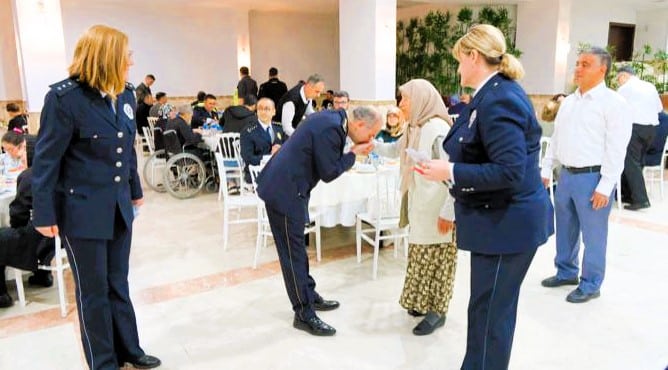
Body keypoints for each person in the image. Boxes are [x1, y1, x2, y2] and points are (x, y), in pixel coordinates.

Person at [417, 25, 553, 370]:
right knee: (486, 308)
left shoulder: (500, 98)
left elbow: (508, 171)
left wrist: (450, 173)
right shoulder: (489, 95)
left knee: (491, 313)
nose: (458, 68)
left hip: (507, 224)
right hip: (498, 220)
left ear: (473, 57)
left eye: (459, 60)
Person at [31, 25, 160, 370]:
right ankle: (103, 361)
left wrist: (134, 192)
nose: (131, 61)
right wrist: (43, 215)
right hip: (81, 211)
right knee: (93, 291)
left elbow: (127, 150)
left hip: (119, 208)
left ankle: (129, 349)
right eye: (126, 55)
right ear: (107, 58)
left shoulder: (127, 94)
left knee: (118, 281)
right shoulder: (65, 99)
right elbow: (46, 160)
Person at [256, 107, 380, 336]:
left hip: (291, 188)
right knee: (293, 254)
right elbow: (329, 171)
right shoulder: (332, 127)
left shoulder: (333, 118)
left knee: (298, 252)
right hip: (284, 191)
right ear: (360, 124)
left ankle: (309, 295)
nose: (371, 139)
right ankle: (303, 313)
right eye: (372, 134)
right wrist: (354, 153)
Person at [540, 46, 631, 304]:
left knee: (593, 234)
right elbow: (557, 139)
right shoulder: (568, 101)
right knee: (566, 228)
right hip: (566, 175)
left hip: (593, 178)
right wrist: (547, 168)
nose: (578, 68)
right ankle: (566, 271)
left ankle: (591, 283)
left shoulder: (614, 104)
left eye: (585, 64)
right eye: (577, 63)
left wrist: (606, 185)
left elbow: (616, 148)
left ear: (602, 70)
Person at [395, 79, 457, 336]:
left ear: (420, 99)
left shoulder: (438, 128)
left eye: (405, 99)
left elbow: (453, 174)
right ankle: (420, 302)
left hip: (439, 207)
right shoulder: (415, 127)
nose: (400, 105)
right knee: (421, 254)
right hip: (422, 204)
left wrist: (449, 211)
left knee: (439, 259)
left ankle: (437, 311)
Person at [0, 135, 54, 308]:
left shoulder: (28, 177)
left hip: (39, 237)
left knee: (4, 237)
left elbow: (18, 215)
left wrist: (14, 226)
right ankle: (41, 275)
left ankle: (1, 293)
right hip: (58, 236)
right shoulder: (54, 171)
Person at [616, 65, 664, 210]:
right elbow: (659, 109)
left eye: (618, 79)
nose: (618, 82)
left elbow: (614, 109)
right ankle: (629, 194)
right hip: (651, 130)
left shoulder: (624, 89)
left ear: (624, 76)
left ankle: (641, 199)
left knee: (630, 162)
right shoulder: (650, 86)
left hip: (635, 128)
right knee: (638, 162)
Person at [240, 98, 286, 183]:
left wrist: (281, 149)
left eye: (267, 109)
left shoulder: (279, 129)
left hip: (277, 171)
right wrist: (269, 157)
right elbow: (247, 158)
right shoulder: (248, 131)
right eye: (260, 109)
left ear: (274, 112)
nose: (263, 112)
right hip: (257, 172)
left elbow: (288, 149)